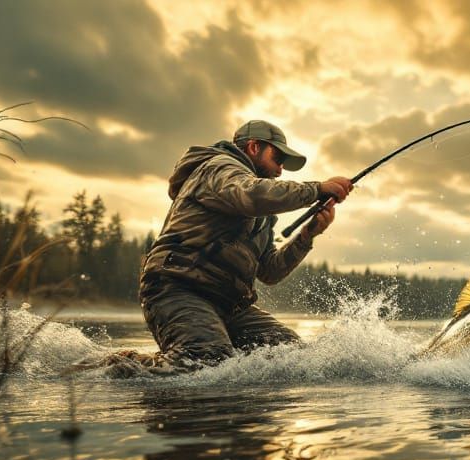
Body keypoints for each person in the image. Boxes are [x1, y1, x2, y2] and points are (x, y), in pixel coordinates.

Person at [137, 120, 352, 370]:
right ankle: (121, 366)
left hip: (229, 304)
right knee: (207, 359)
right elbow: (251, 195)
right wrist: (316, 189)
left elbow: (270, 272)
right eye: (278, 158)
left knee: (291, 358)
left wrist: (307, 236)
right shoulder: (218, 168)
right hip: (178, 289)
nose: (280, 170)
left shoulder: (263, 214)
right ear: (253, 148)